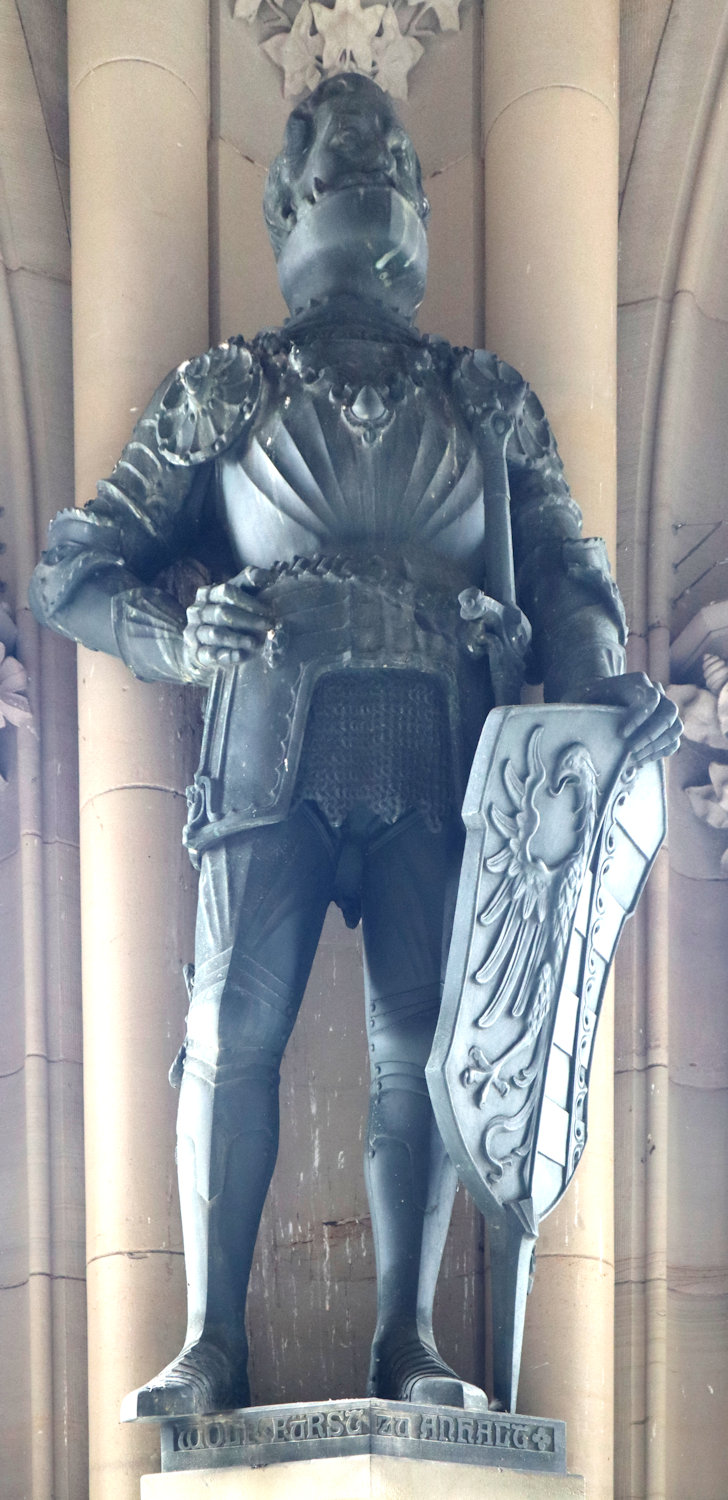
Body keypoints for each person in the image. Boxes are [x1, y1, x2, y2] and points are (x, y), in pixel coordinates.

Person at [30, 73, 680, 1418]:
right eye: (344, 149)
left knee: (432, 1045)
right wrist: (173, 637)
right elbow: (77, 569)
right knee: (229, 1024)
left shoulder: (490, 399)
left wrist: (600, 701)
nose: (377, 162)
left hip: (450, 755)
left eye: (395, 151)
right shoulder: (224, 388)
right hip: (269, 735)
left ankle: (406, 1341)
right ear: (279, 197)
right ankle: (213, 1338)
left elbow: (571, 582)